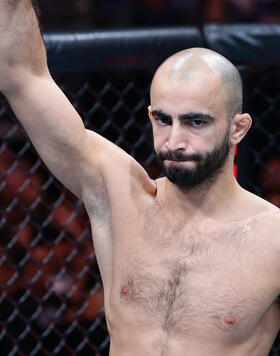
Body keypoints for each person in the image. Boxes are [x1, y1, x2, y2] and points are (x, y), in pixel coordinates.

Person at [0, 1, 280, 355]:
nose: (175, 141)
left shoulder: (272, 239)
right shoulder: (121, 197)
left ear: (237, 129)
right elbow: (22, 75)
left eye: (196, 122)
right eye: (164, 120)